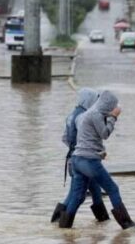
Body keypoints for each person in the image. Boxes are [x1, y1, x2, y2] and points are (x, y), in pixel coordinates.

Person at [60, 90, 135, 229]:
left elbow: (87, 140)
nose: (112, 109)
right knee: (113, 189)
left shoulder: (84, 115)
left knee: (77, 197)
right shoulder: (95, 115)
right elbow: (104, 134)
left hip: (76, 160)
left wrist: (99, 152)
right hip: (88, 162)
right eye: (111, 106)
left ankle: (64, 228)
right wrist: (113, 117)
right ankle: (126, 223)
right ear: (107, 104)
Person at [51, 88, 110, 225]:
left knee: (95, 191)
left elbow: (65, 138)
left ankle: (103, 222)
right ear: (88, 99)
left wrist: (74, 149)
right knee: (76, 194)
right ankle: (60, 222)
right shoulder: (84, 116)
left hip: (73, 159)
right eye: (94, 100)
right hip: (84, 160)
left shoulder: (71, 115)